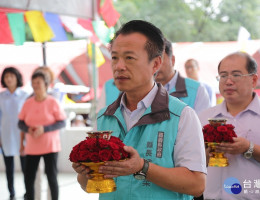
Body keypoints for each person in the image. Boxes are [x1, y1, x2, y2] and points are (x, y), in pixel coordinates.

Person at [72, 20, 207, 200]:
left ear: (156, 64)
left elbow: (197, 185)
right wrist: (84, 172)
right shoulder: (105, 116)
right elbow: (89, 187)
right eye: (114, 57)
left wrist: (143, 167)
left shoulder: (181, 115)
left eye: (129, 58)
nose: (119, 66)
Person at [199, 52, 260, 199]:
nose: (228, 81)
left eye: (236, 75)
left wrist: (249, 148)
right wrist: (204, 157)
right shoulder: (203, 117)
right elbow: (190, 163)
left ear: (254, 80)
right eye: (223, 75)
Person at [18, 71, 66, 200]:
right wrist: (28, 129)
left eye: (38, 82)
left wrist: (44, 128)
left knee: (51, 177)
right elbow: (20, 123)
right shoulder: (28, 103)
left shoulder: (53, 102)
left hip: (50, 146)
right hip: (32, 147)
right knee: (29, 178)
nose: (35, 85)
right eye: (33, 83)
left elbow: (62, 122)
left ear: (46, 85)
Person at [155, 38, 211, 116]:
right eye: (150, 60)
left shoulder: (197, 90)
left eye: (160, 59)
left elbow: (202, 125)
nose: (155, 65)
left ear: (173, 60)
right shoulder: (141, 91)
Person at [0, 66, 29, 200]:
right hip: (5, 135)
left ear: (17, 78)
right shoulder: (1, 97)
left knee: (26, 167)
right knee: (9, 167)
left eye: (11, 76)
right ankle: (11, 192)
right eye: (6, 77)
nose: (9, 79)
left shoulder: (25, 96)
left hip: (22, 136)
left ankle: (27, 191)